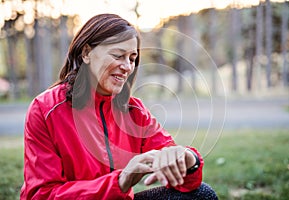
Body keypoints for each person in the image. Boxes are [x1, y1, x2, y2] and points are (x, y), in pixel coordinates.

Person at [20, 13, 218, 199]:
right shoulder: (45, 109)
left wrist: (188, 159)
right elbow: (40, 194)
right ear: (87, 53)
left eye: (132, 59)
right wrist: (120, 181)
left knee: (202, 194)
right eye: (118, 55)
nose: (127, 67)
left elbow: (182, 177)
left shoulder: (134, 111)